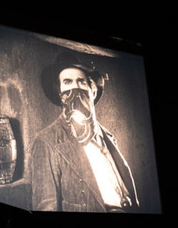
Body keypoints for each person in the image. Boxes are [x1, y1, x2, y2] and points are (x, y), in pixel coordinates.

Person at [31, 51, 139, 212]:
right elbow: (46, 207)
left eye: (81, 82)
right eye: (67, 82)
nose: (75, 88)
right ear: (60, 94)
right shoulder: (46, 141)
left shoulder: (107, 136)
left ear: (93, 90)